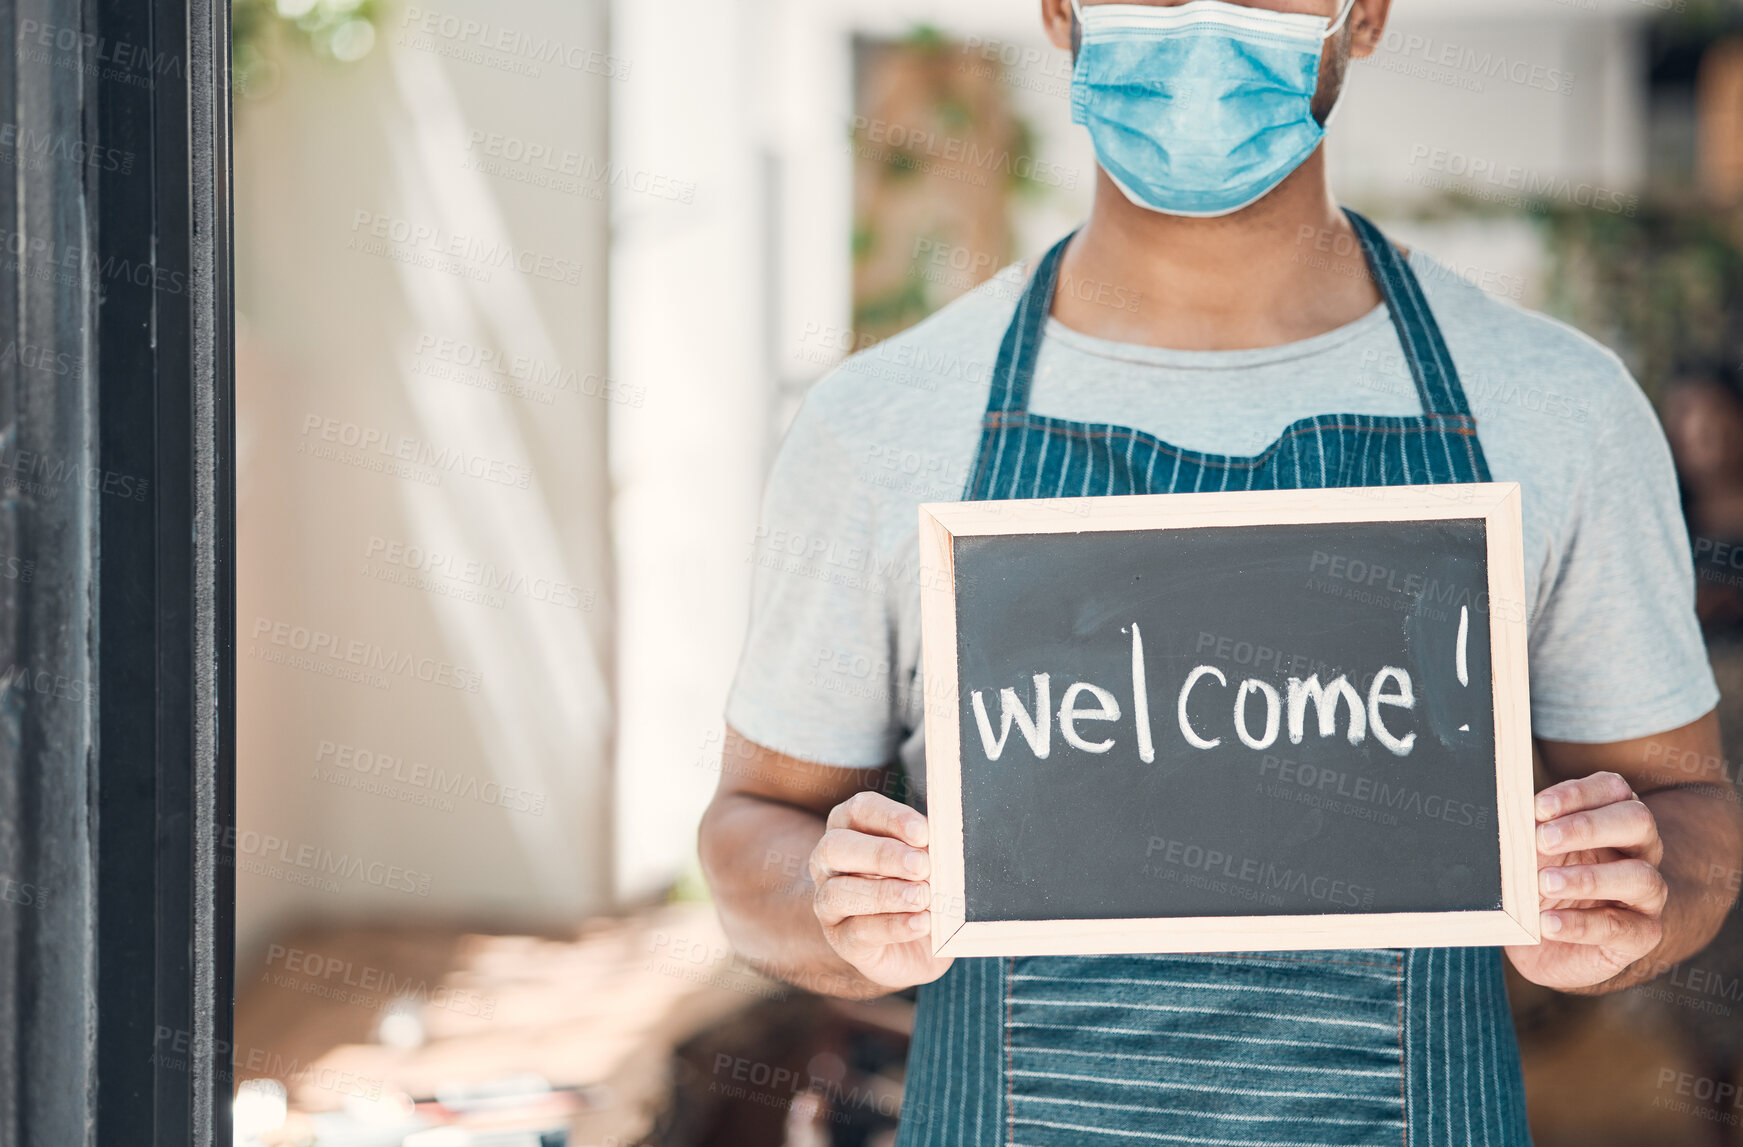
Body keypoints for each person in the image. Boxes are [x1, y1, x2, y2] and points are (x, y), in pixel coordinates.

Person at [701, 0, 1743, 1142]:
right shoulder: (881, 424)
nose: (1205, 13)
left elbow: (1690, 814)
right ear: (1059, 11)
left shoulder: (1560, 410)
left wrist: (1630, 902)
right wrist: (829, 902)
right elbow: (754, 825)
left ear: (1369, 15)